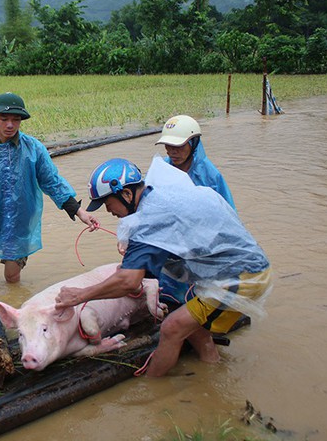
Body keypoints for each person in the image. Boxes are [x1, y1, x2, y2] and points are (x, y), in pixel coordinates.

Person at [55, 156, 272, 377]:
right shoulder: (159, 194)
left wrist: (79, 296)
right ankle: (211, 365)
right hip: (243, 266)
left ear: (127, 194)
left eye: (107, 203)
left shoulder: (149, 221)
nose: (108, 211)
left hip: (240, 278)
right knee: (189, 324)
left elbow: (129, 281)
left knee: (171, 328)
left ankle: (153, 390)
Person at [0, 92, 100, 286]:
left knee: (12, 278)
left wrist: (80, 212)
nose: (10, 125)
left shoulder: (34, 148)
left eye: (16, 120)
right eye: (4, 119)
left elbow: (52, 182)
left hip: (20, 224)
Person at [155, 114, 236, 307]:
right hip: (170, 243)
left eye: (178, 146)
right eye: (168, 146)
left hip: (200, 244)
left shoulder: (209, 176)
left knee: (198, 292)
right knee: (165, 286)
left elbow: (228, 217)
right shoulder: (161, 170)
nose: (172, 152)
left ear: (194, 143)